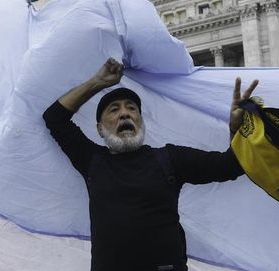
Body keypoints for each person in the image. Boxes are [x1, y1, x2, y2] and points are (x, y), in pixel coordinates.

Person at [43, 57, 258, 271]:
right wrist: (98, 82)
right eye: (114, 109)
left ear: (140, 122)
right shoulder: (92, 160)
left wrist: (235, 130)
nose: (124, 113)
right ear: (100, 129)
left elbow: (230, 166)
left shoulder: (170, 159)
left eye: (131, 108)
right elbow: (55, 118)